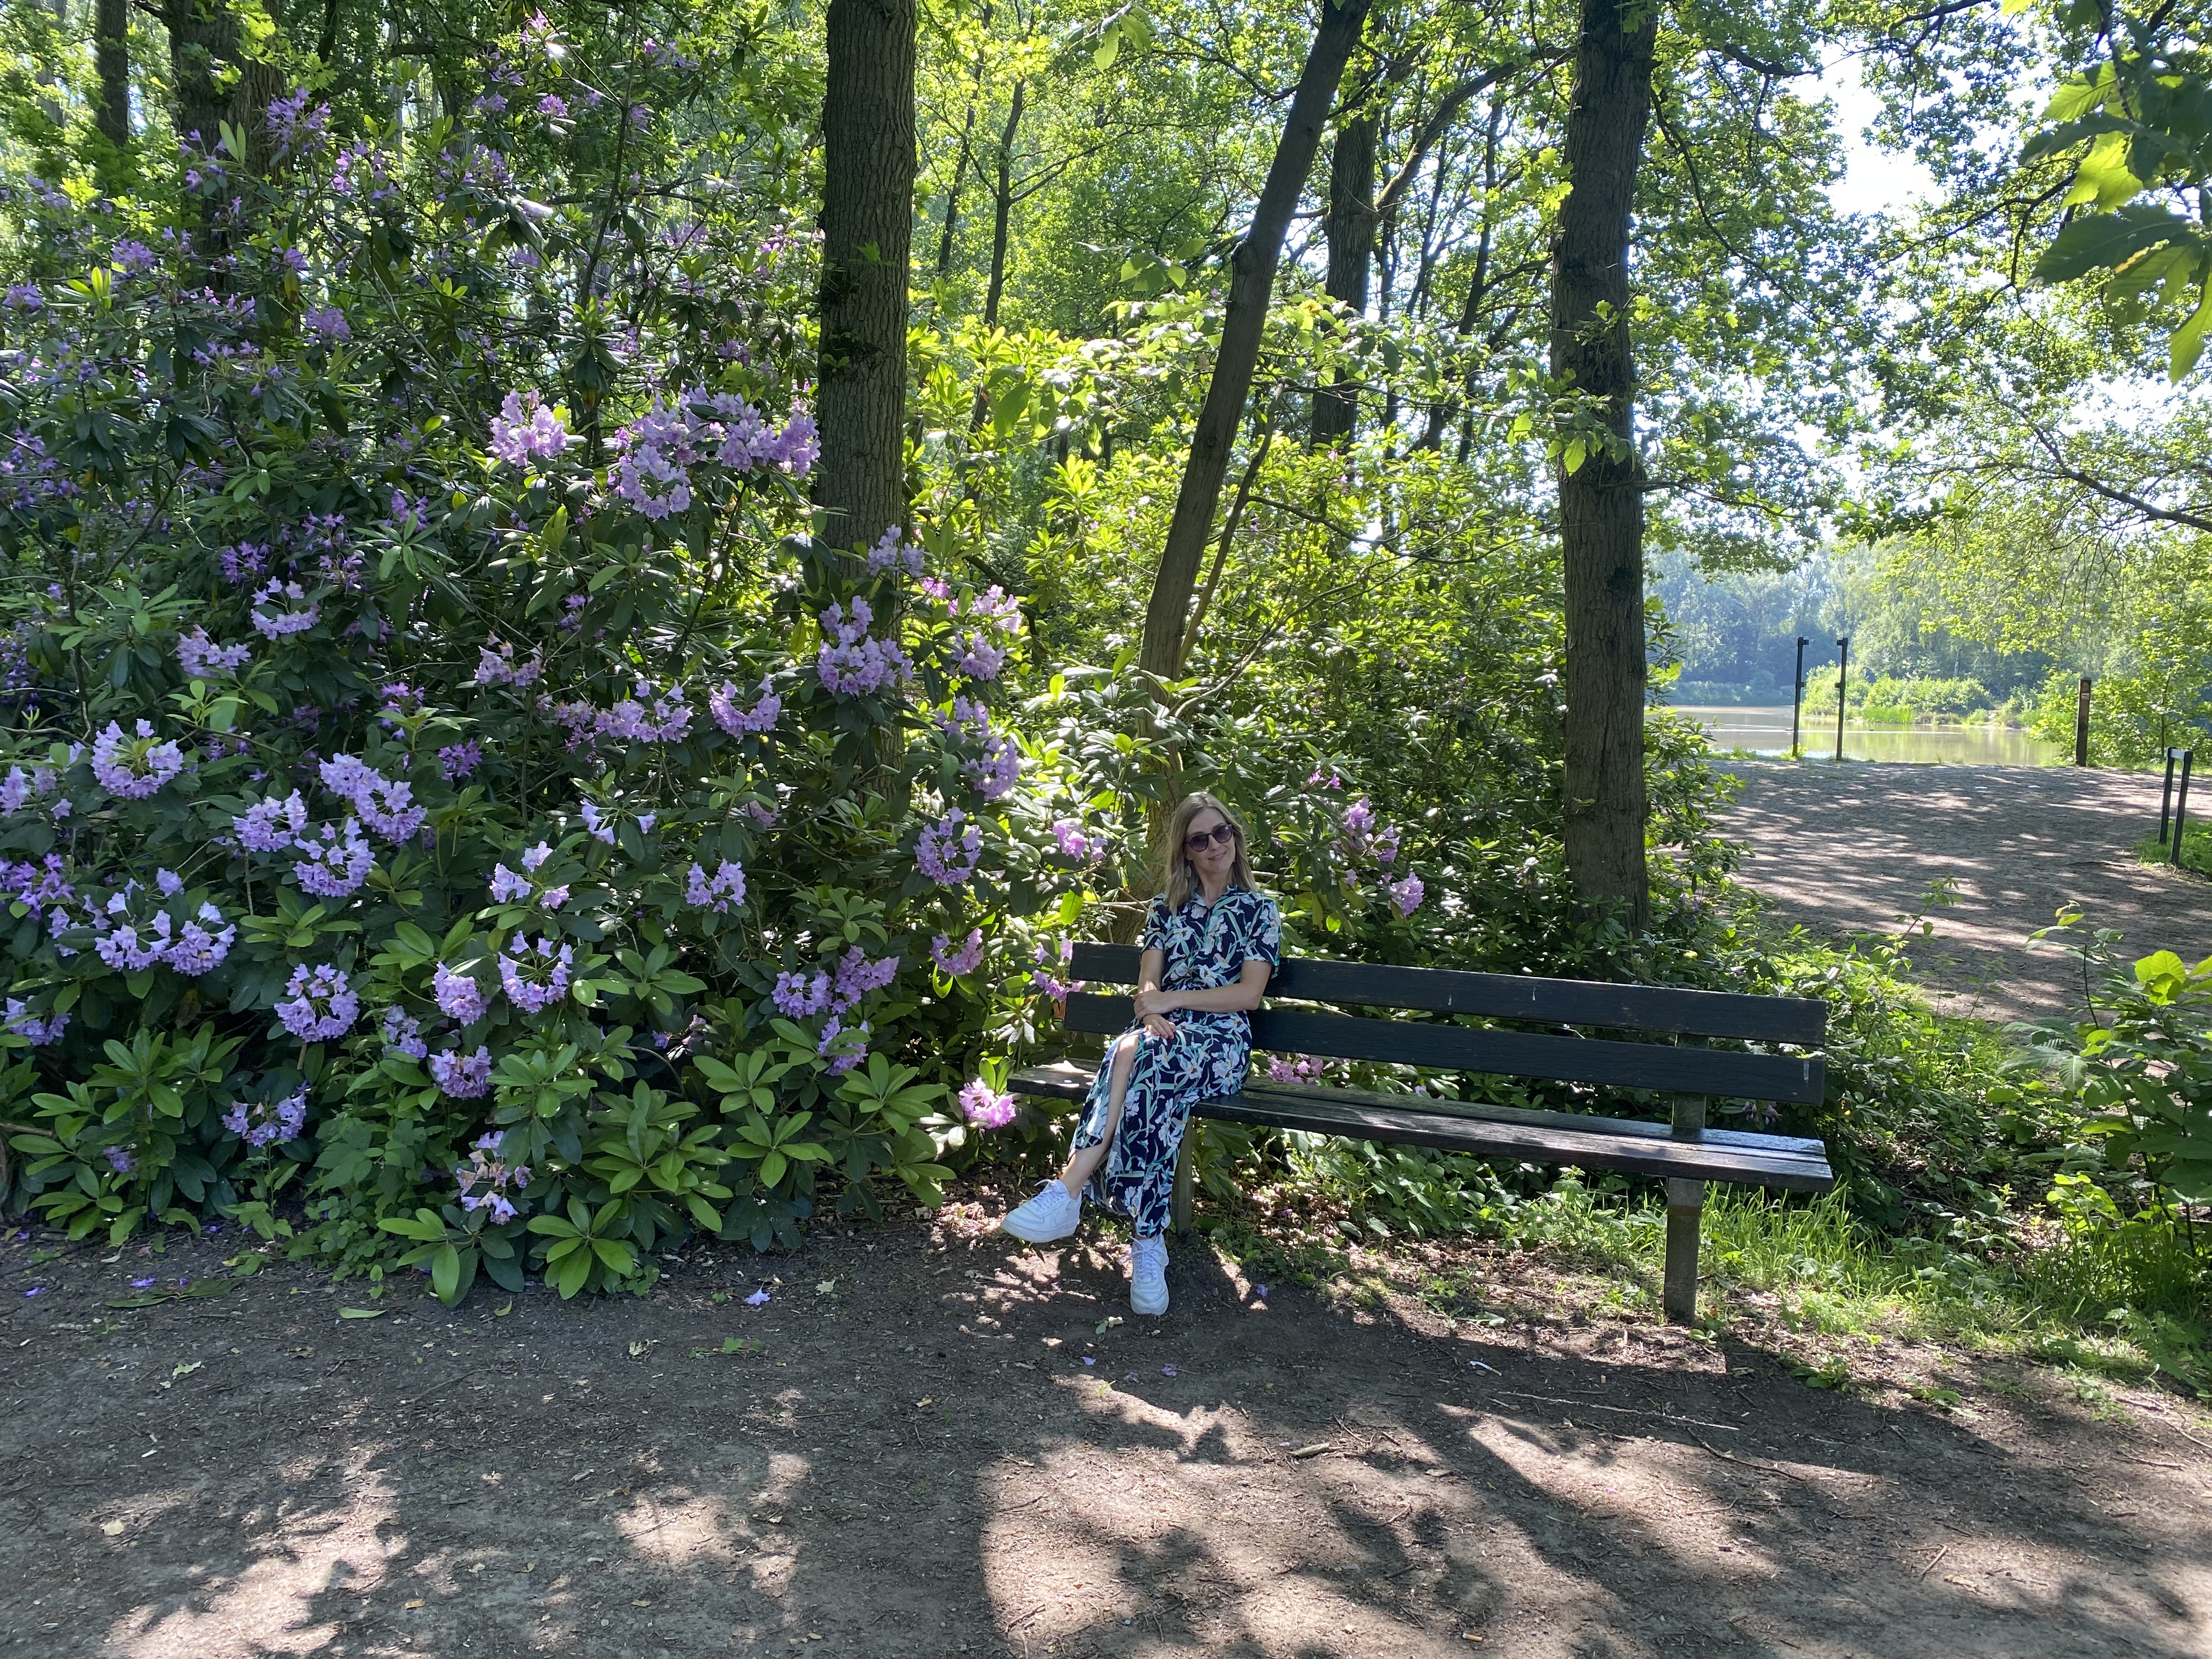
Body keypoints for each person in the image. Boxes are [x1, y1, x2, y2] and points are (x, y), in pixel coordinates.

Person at [998, 791, 1280, 1314]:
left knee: (1133, 1053)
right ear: (1186, 851)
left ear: (1235, 837)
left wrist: (1169, 1001)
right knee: (1141, 1053)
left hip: (1221, 1043)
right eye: (1200, 839)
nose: (1214, 845)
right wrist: (1151, 1011)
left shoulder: (1259, 909)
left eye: (1222, 833)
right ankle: (1148, 1242)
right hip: (1163, 1033)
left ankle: (1070, 1191)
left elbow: (1248, 995)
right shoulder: (1166, 908)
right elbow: (1148, 981)